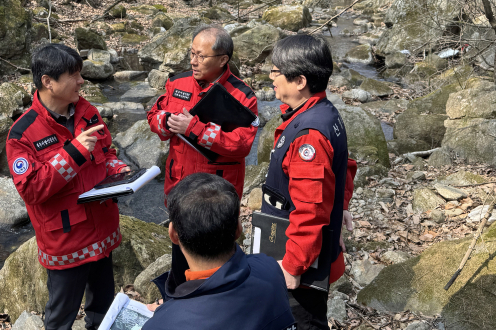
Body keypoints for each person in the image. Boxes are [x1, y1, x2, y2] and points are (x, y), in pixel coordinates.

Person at [6, 44, 131, 330]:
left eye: (80, 74)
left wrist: (117, 170)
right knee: (61, 318)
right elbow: (31, 190)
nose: (81, 81)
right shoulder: (22, 134)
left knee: (103, 311)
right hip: (66, 241)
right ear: (48, 82)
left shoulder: (88, 112)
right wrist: (73, 153)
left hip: (103, 230)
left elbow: (106, 153)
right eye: (73, 75)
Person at [147, 25, 258, 286]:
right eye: (192, 53)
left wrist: (195, 129)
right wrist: (166, 121)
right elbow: (154, 115)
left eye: (201, 56)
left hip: (217, 195)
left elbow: (242, 144)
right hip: (180, 187)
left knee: (218, 266)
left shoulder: (242, 95)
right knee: (180, 259)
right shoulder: (177, 82)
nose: (193, 61)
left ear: (223, 59)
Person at [261, 34, 357, 330]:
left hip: (299, 261)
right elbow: (343, 167)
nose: (271, 77)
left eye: (276, 71)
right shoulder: (323, 111)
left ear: (300, 81)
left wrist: (293, 265)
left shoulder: (309, 135)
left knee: (304, 322)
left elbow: (311, 209)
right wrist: (340, 208)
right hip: (304, 247)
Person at [143, 173, 296, 330]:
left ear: (173, 234)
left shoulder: (161, 325)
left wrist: (169, 314)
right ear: (238, 229)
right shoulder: (270, 269)